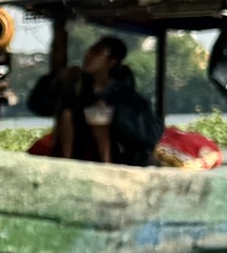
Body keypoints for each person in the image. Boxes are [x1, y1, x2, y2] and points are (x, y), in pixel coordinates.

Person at [27, 34, 160, 165]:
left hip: (121, 164)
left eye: (97, 52)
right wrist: (55, 80)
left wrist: (115, 114)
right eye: (90, 50)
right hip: (78, 162)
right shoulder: (77, 88)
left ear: (112, 62)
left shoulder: (128, 98)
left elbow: (150, 135)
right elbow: (39, 106)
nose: (89, 56)